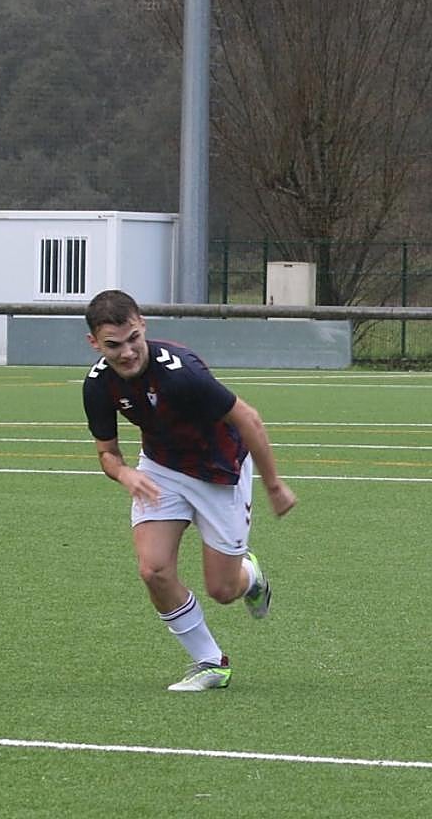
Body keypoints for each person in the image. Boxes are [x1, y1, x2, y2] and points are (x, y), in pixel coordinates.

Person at [82, 290, 297, 692]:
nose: (127, 352)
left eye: (133, 338)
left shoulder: (181, 374)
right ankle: (211, 662)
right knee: (153, 570)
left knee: (223, 590)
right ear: (94, 343)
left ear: (143, 325)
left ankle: (250, 576)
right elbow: (107, 453)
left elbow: (248, 419)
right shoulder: (97, 386)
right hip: (161, 470)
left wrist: (273, 485)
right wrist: (125, 474)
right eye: (113, 345)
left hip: (219, 472)